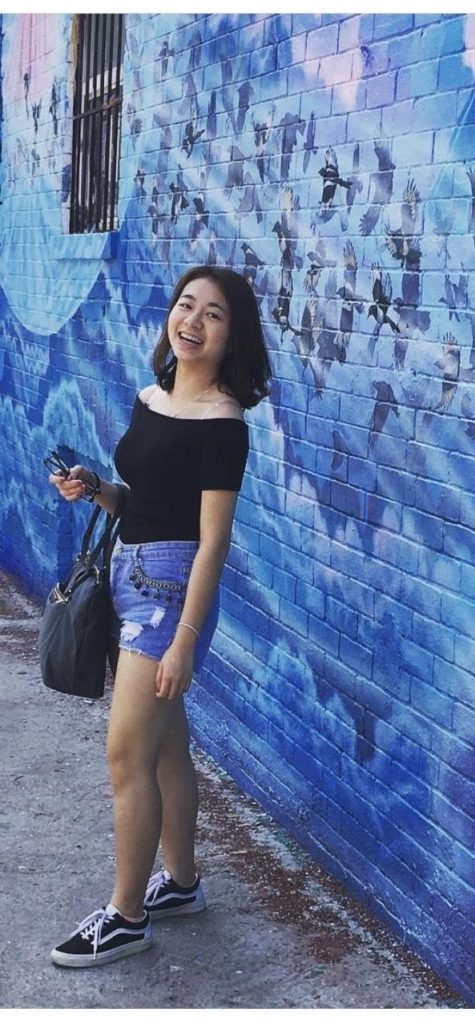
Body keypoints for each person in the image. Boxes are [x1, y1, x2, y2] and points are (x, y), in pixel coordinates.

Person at [47, 266, 271, 967]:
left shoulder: (224, 424)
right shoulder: (153, 398)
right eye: (185, 306)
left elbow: (211, 542)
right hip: (125, 574)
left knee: (127, 753)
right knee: (166, 745)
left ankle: (126, 916)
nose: (193, 322)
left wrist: (183, 640)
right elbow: (144, 498)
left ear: (233, 336)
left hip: (167, 598)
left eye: (214, 314)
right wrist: (97, 489)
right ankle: (179, 883)